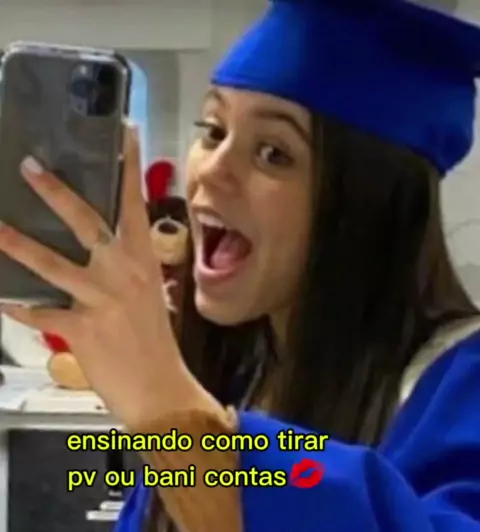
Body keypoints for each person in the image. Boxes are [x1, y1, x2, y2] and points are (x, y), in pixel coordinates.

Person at [1, 0, 480, 529]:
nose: (212, 171)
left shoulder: (464, 384)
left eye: (274, 153)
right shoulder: (243, 372)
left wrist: (164, 402)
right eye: (212, 130)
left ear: (369, 207)